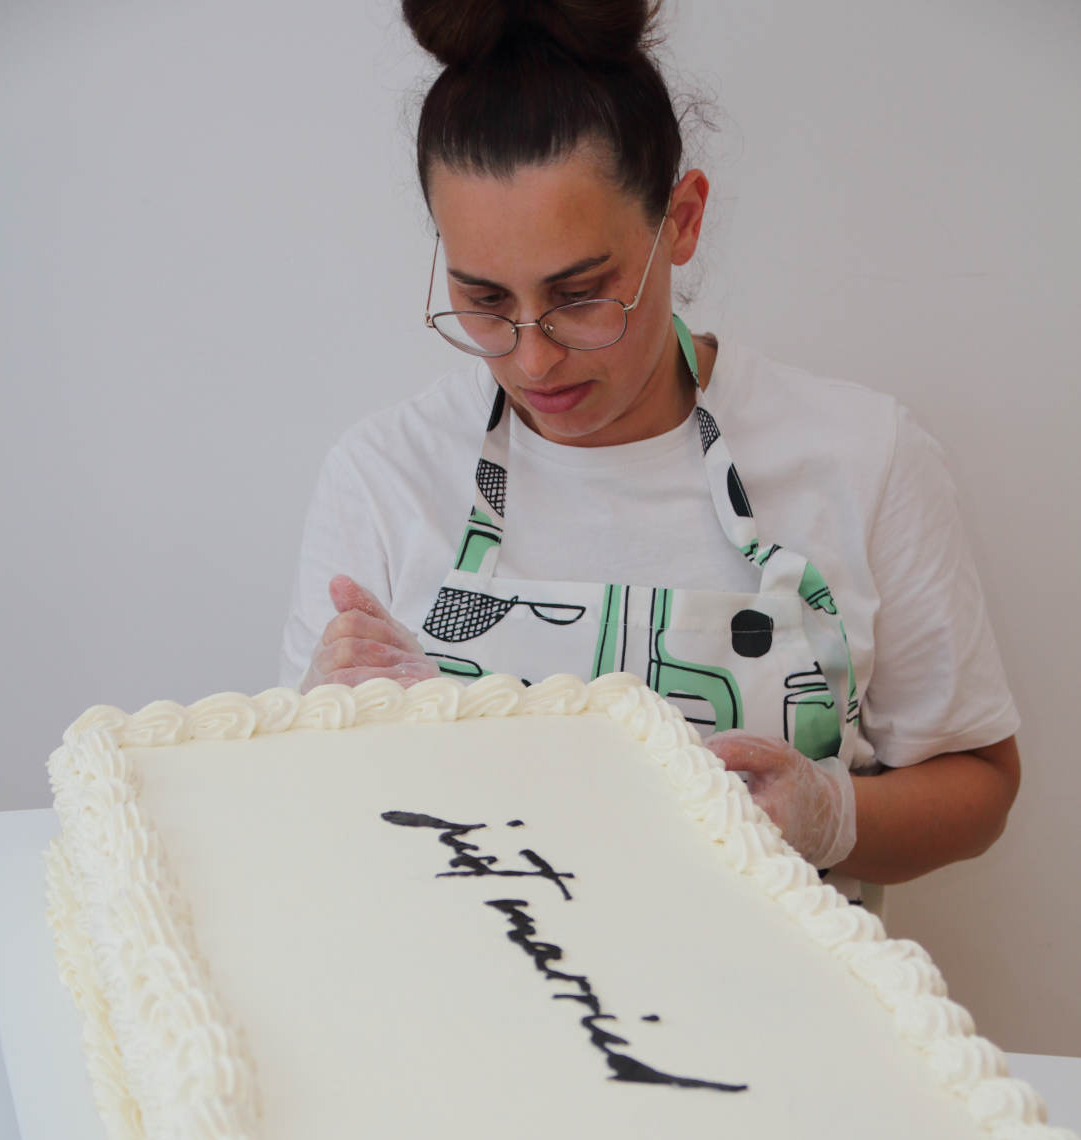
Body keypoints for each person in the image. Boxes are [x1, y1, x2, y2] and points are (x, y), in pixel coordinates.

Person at [279, 0, 1020, 905]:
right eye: (482, 299)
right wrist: (310, 737)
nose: (532, 355)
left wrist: (834, 817)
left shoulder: (866, 457)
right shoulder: (381, 473)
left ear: (682, 220)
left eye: (582, 295)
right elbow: (309, 831)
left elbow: (981, 784)